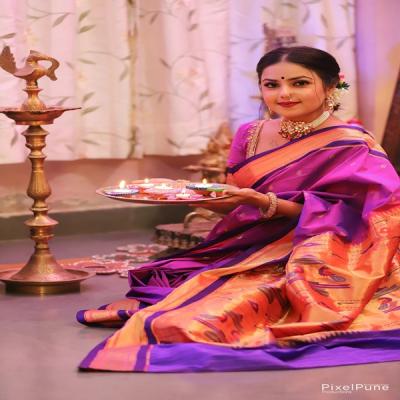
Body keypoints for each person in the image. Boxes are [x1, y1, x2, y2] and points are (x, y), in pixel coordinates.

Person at [77, 46, 400, 372]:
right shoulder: (250, 134)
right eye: (271, 85)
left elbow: (353, 216)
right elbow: (235, 206)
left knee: (221, 311)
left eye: (299, 83)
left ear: (330, 87)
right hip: (245, 240)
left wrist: (261, 201)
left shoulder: (351, 143)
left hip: (317, 245)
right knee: (182, 283)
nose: (284, 94)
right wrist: (188, 195)